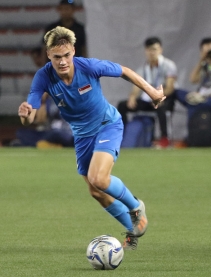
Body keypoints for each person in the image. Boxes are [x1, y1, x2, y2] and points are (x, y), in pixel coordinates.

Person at [18, 26, 164, 249]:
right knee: (95, 191)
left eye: (66, 55)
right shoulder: (43, 77)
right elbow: (31, 115)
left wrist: (152, 91)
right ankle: (133, 229)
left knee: (99, 178)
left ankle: (135, 207)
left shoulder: (89, 66)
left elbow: (124, 70)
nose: (63, 61)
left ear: (73, 51)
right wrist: (26, 116)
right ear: (48, 55)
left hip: (108, 125)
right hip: (82, 135)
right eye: (57, 57)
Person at [117, 37, 177, 148]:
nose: (152, 52)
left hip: (164, 98)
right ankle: (121, 136)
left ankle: (164, 139)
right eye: (149, 49)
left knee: (161, 107)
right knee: (122, 105)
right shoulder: (143, 68)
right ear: (146, 51)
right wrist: (132, 97)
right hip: (148, 99)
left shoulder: (169, 65)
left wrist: (159, 96)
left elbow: (170, 87)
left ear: (160, 50)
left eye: (155, 49)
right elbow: (137, 86)